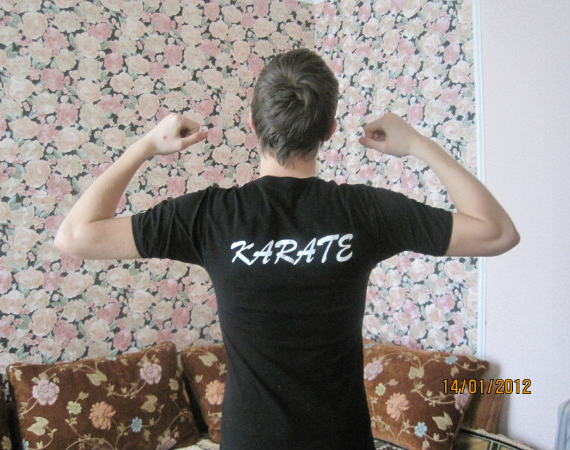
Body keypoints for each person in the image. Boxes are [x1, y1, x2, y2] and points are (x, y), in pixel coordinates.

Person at [55, 48, 519, 450]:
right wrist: (418, 144)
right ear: (329, 130)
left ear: (253, 124)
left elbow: (75, 235)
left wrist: (146, 146)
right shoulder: (364, 212)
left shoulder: (210, 216)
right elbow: (497, 232)